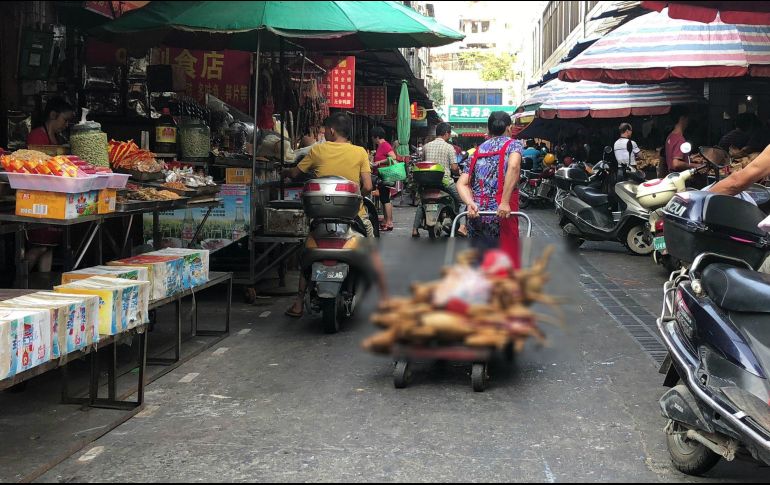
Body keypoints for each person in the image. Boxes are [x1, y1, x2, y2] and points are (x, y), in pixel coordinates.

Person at [282, 113, 387, 317]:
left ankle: (298, 304)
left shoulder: (318, 150)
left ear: (331, 130)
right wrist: (356, 197)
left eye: (324, 130)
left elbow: (295, 173)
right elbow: (367, 186)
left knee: (307, 252)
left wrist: (285, 173)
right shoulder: (359, 152)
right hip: (354, 215)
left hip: (320, 218)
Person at [457, 111, 524, 268]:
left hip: (477, 213)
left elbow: (462, 183)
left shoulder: (478, 150)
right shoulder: (513, 144)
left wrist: (470, 203)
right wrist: (505, 202)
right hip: (500, 213)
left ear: (488, 129)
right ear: (509, 128)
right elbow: (514, 166)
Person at [23, 97, 75, 275]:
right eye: (65, 120)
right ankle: (19, 280)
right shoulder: (37, 135)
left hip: (54, 197)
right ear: (53, 115)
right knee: (40, 247)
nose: (66, 124)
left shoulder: (58, 139)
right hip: (38, 197)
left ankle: (42, 286)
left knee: (49, 246)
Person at [412, 122, 465, 238]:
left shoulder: (426, 146)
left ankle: (415, 229)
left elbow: (424, 163)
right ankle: (462, 227)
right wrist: (459, 173)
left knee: (422, 203)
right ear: (446, 133)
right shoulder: (449, 147)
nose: (450, 136)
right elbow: (454, 168)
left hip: (426, 182)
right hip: (444, 181)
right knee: (462, 201)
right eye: (449, 134)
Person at [371, 126, 396, 232]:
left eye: (372, 137)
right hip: (382, 174)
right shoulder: (381, 146)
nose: (372, 139)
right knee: (384, 198)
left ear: (376, 137)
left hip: (385, 174)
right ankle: (386, 221)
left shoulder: (384, 145)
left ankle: (389, 222)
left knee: (385, 199)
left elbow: (393, 157)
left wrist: (379, 162)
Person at [665, 106, 692, 173]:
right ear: (682, 118)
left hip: (671, 176)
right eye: (687, 118)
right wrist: (696, 166)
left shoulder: (670, 136)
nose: (688, 122)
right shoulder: (680, 139)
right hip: (678, 178)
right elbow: (676, 164)